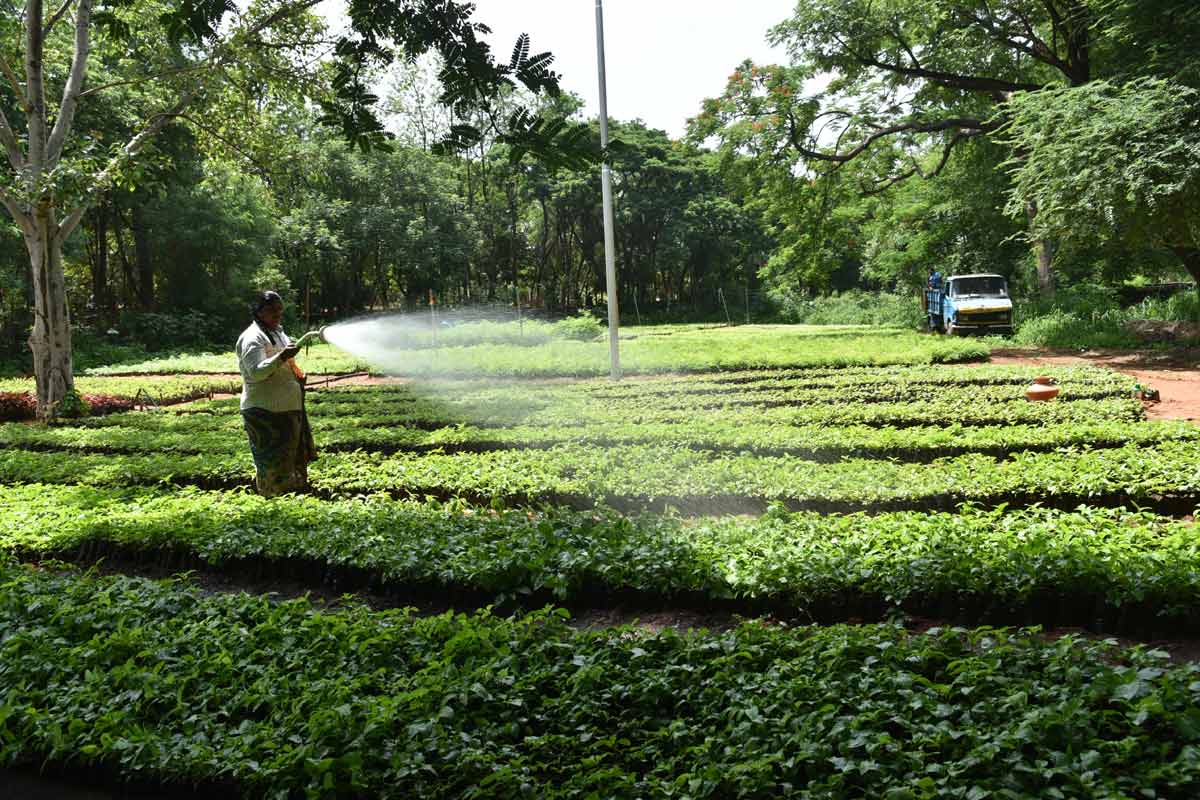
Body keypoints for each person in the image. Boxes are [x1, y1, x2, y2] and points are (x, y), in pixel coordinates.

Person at [236, 291, 317, 496]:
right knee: (272, 466)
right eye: (272, 310)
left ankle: (294, 505)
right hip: (265, 412)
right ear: (258, 312)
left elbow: (286, 363)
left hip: (288, 408)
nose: (277, 314)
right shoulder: (252, 338)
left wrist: (295, 373)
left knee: (292, 463)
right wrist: (282, 356)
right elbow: (256, 372)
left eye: (279, 310)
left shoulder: (279, 333)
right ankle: (273, 508)